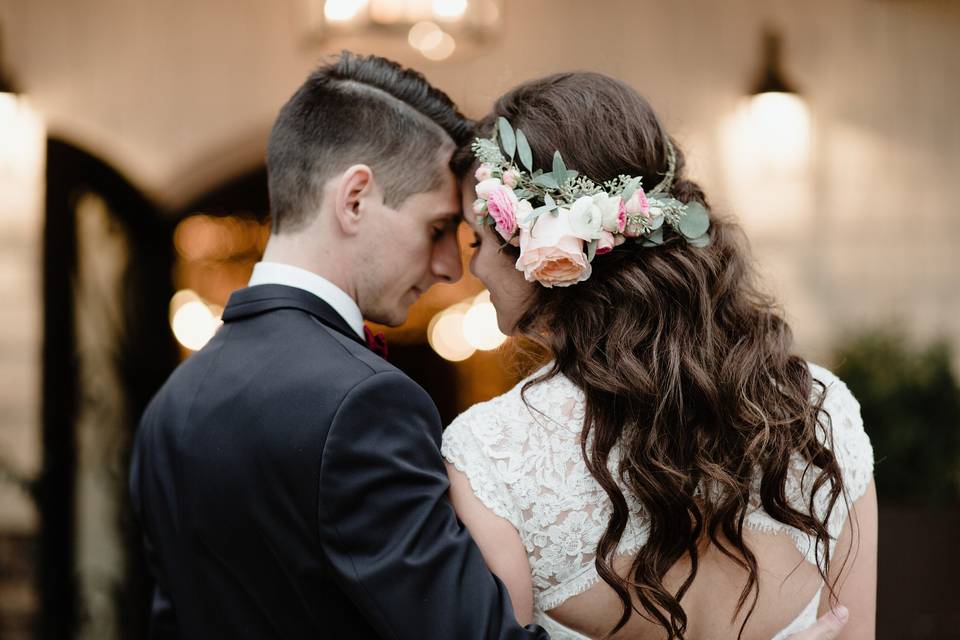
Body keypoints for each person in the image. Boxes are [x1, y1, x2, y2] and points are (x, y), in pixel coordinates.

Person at [128, 52, 551, 639]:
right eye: (436, 229)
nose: (452, 268)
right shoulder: (365, 403)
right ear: (354, 198)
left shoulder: (168, 408)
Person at [442, 72, 876, 639]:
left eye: (478, 240)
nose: (471, 269)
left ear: (533, 241)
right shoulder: (821, 411)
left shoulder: (492, 457)